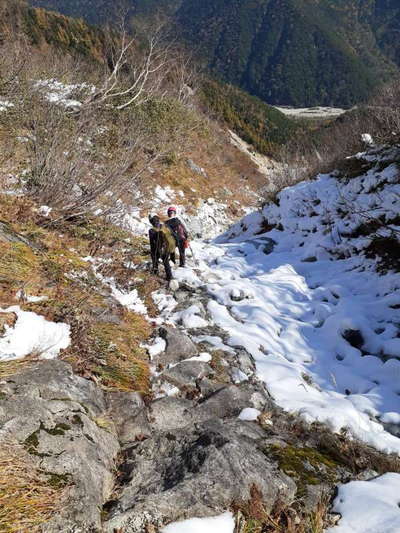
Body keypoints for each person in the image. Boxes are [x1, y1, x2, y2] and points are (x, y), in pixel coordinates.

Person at [148, 215, 176, 283]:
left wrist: (152, 251)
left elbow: (152, 243)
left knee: (155, 257)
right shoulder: (165, 226)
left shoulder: (151, 230)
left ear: (152, 223)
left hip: (160, 249)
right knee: (166, 261)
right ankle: (170, 277)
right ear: (159, 220)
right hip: (168, 246)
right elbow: (173, 235)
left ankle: (155, 272)